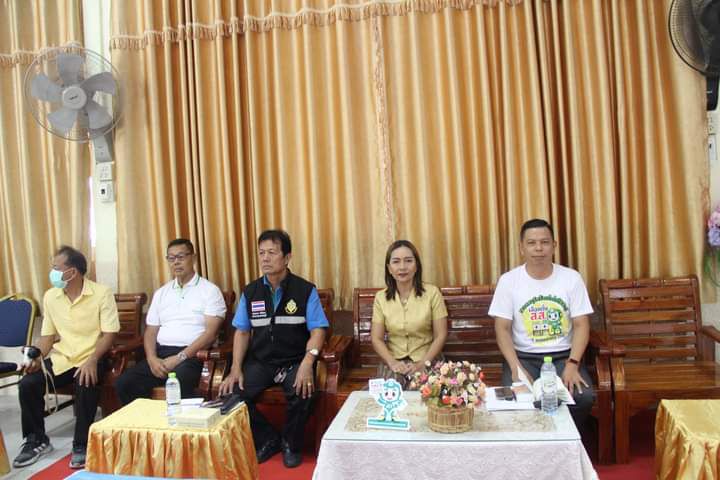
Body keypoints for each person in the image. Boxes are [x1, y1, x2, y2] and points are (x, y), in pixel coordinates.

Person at [218, 230, 328, 469]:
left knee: (304, 391)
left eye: (271, 252)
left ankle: (290, 443)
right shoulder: (251, 292)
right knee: (230, 394)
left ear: (287, 257)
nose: (265, 258)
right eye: (261, 253)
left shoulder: (305, 290)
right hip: (261, 362)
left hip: (294, 360)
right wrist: (236, 368)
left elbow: (318, 330)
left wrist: (308, 362)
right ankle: (268, 438)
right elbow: (242, 332)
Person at [13, 246, 119, 470]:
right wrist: (36, 357)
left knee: (85, 380)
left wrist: (92, 360)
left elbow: (109, 334)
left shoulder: (101, 293)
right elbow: (47, 337)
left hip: (92, 356)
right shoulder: (51, 296)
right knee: (28, 383)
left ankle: (82, 444)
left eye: (56, 268)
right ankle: (36, 440)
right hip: (63, 358)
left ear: (72, 272)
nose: (52, 272)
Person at [489, 218, 595, 426]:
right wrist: (515, 367)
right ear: (521, 248)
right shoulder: (508, 281)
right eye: (531, 243)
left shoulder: (571, 278)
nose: (538, 248)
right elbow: (502, 329)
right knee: (517, 399)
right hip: (523, 357)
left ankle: (566, 439)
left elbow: (582, 324)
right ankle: (533, 442)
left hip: (563, 356)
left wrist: (573, 364)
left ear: (554, 246)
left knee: (583, 397)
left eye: (545, 242)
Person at [114, 238, 226, 404]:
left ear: (193, 258)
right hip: (161, 354)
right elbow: (151, 331)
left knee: (180, 381)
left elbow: (210, 334)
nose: (176, 262)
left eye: (181, 257)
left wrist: (179, 357)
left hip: (193, 355)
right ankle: (148, 421)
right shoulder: (162, 293)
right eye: (171, 258)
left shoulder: (209, 291)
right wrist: (152, 359)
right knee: (125, 383)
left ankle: (182, 421)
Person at [371, 240, 448, 383]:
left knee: (425, 391)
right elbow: (376, 338)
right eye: (396, 262)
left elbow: (441, 334)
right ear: (389, 268)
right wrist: (392, 362)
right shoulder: (381, 298)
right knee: (391, 391)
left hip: (428, 358)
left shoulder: (432, 293)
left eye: (408, 261)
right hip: (394, 361)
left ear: (416, 265)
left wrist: (423, 364)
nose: (402, 267)